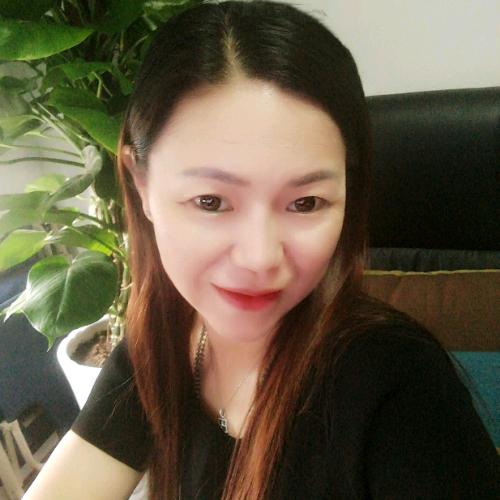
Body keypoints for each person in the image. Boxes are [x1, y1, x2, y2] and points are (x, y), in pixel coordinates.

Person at [24, 1, 499, 499]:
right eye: (210, 201)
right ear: (141, 185)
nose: (259, 258)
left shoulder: (401, 391)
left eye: (306, 203)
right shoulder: (162, 346)